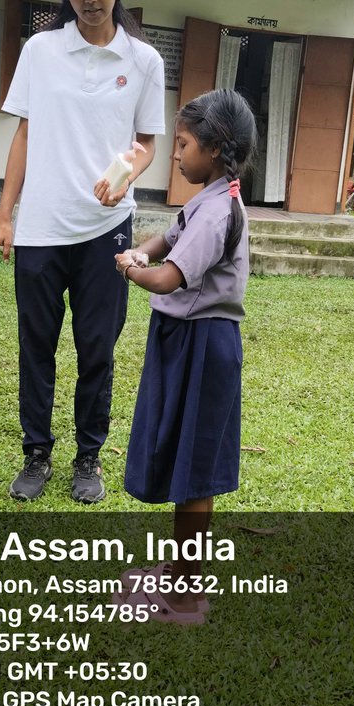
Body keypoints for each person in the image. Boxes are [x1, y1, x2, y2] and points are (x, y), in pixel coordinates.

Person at [0, 0, 165, 504]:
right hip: (39, 228)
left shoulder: (143, 60)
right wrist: (4, 217)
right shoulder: (41, 51)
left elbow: (148, 143)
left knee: (97, 348)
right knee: (36, 345)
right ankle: (36, 455)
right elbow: (24, 136)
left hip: (107, 230)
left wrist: (127, 175)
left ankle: (89, 458)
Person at [112, 88, 255, 623]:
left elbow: (168, 276)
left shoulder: (219, 211)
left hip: (204, 344)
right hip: (186, 339)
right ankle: (175, 576)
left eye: (186, 144)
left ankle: (185, 593)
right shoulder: (207, 200)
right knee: (182, 457)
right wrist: (138, 250)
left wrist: (128, 269)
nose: (176, 153)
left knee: (196, 471)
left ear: (215, 149)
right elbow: (164, 241)